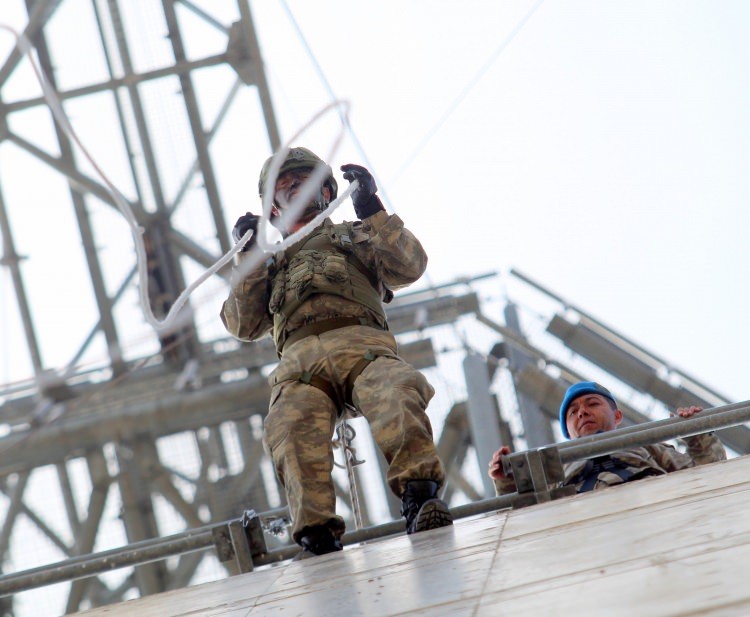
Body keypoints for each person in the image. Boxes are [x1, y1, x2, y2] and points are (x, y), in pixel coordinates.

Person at [221, 147, 452, 556]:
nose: (294, 189)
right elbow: (243, 323)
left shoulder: (358, 235)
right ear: (272, 208)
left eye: (302, 181)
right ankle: (316, 534)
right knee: (290, 426)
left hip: (362, 346)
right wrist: (249, 256)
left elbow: (409, 265)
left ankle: (419, 495)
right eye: (284, 186)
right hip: (299, 365)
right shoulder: (270, 264)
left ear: (327, 192)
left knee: (395, 392)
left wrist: (371, 208)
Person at [488, 381, 726, 495]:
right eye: (573, 412)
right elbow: (520, 516)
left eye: (592, 404)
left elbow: (709, 472)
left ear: (617, 415)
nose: (582, 412)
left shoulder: (647, 446)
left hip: (652, 504)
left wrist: (697, 433)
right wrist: (506, 480)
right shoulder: (554, 469)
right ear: (568, 432)